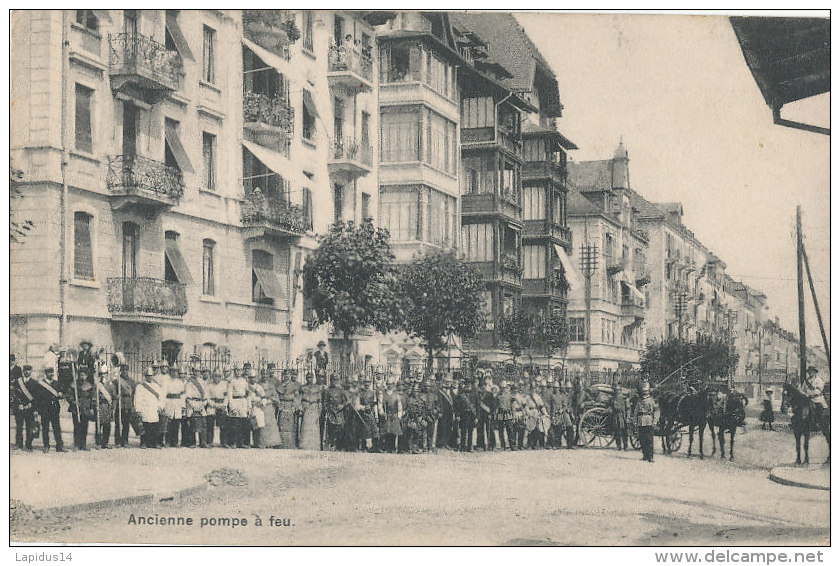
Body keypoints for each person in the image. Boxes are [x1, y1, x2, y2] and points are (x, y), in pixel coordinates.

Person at [30, 366, 66, 453]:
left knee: (57, 428)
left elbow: (61, 395)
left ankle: (59, 446)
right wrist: (37, 410)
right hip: (44, 409)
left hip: (54, 409)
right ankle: (46, 445)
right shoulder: (41, 384)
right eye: (49, 372)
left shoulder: (57, 383)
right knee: (45, 428)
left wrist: (61, 394)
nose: (51, 374)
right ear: (46, 374)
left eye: (52, 372)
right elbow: (37, 398)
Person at [134, 367, 163, 449]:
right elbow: (137, 399)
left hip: (154, 408)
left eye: (151, 376)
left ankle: (154, 443)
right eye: (148, 376)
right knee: (145, 426)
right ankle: (143, 443)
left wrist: (160, 406)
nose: (149, 377)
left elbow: (161, 398)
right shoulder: (140, 386)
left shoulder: (156, 386)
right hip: (145, 408)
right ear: (145, 376)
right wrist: (138, 410)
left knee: (154, 426)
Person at [11, 363, 37, 451]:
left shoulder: (34, 382)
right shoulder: (17, 382)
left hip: (29, 408)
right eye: (25, 370)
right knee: (19, 427)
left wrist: (31, 405)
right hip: (20, 408)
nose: (27, 372)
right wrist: (19, 404)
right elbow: (14, 394)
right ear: (23, 371)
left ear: (31, 371)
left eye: (28, 370)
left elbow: (36, 397)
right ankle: (18, 444)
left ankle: (29, 445)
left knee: (29, 427)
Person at [184, 367, 209, 448]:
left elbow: (206, 395)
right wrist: (194, 406)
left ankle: (203, 442)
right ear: (193, 371)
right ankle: (192, 442)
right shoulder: (189, 382)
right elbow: (187, 395)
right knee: (192, 424)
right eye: (195, 371)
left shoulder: (203, 382)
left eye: (198, 371)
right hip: (192, 404)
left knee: (203, 423)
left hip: (201, 404)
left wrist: (202, 405)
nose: (197, 372)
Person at [227, 366, 251, 448]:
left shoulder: (245, 381)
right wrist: (232, 406)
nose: (238, 372)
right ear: (234, 371)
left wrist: (249, 406)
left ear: (242, 371)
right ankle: (233, 442)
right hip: (235, 401)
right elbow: (229, 395)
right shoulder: (231, 381)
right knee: (234, 423)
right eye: (236, 370)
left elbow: (248, 394)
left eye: (240, 370)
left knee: (243, 423)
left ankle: (243, 443)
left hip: (243, 402)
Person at [276, 369, 300, 448]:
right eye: (285, 375)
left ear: (290, 376)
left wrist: (294, 406)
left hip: (290, 405)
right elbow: (276, 396)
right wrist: (279, 404)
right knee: (281, 425)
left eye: (288, 375)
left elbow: (297, 397)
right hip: (282, 405)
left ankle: (290, 444)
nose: (286, 376)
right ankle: (282, 444)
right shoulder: (279, 385)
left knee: (290, 425)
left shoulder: (294, 386)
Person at [323, 374, 348, 451]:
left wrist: (342, 406)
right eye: (333, 380)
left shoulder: (341, 390)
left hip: (339, 412)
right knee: (331, 429)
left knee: (340, 429)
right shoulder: (327, 390)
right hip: (331, 413)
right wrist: (328, 409)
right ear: (331, 381)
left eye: (336, 380)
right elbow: (325, 402)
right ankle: (331, 444)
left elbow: (345, 401)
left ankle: (339, 446)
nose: (335, 382)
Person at [298, 372, 323, 450]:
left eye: (311, 378)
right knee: (306, 426)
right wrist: (301, 408)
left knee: (314, 427)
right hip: (306, 408)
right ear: (306, 378)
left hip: (314, 407)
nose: (310, 379)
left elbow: (319, 400)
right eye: (308, 377)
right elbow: (299, 399)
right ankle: (305, 445)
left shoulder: (317, 388)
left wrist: (319, 410)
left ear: (313, 378)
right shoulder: (303, 388)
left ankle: (314, 445)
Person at [633, 379, 656, 462]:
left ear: (648, 393)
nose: (645, 394)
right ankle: (645, 456)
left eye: (646, 392)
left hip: (649, 421)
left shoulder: (651, 401)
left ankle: (651, 457)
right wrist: (635, 421)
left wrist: (655, 421)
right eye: (644, 392)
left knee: (649, 440)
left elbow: (656, 411)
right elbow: (636, 412)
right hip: (641, 421)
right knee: (642, 440)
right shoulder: (639, 401)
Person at [94, 364, 116, 449]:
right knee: (98, 425)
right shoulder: (97, 385)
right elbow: (94, 396)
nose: (103, 375)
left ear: (107, 373)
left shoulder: (110, 384)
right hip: (99, 406)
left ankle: (105, 443)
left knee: (107, 426)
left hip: (107, 407)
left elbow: (113, 396)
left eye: (105, 373)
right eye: (101, 374)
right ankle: (98, 443)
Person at [113, 363, 134, 447]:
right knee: (118, 423)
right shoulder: (116, 381)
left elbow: (134, 394)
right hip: (119, 404)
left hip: (128, 403)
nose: (124, 372)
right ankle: (117, 441)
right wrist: (115, 395)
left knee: (126, 424)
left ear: (128, 371)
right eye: (122, 370)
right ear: (120, 371)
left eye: (126, 370)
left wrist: (133, 404)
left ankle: (125, 441)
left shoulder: (132, 382)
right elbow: (112, 390)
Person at [205, 369, 228, 447]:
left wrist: (224, 405)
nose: (217, 378)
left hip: (221, 405)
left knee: (223, 425)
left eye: (219, 376)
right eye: (215, 376)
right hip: (212, 406)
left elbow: (227, 396)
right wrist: (214, 404)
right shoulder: (209, 386)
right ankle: (209, 442)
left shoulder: (224, 385)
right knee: (210, 424)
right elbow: (207, 397)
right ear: (213, 376)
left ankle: (224, 442)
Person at [380, 379, 403, 453]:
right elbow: (380, 405)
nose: (390, 385)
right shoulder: (382, 394)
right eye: (388, 384)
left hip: (394, 415)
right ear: (386, 384)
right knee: (387, 432)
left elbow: (399, 406)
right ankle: (387, 447)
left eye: (391, 384)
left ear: (393, 385)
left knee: (394, 432)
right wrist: (382, 413)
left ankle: (393, 447)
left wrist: (399, 415)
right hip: (386, 415)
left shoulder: (396, 395)